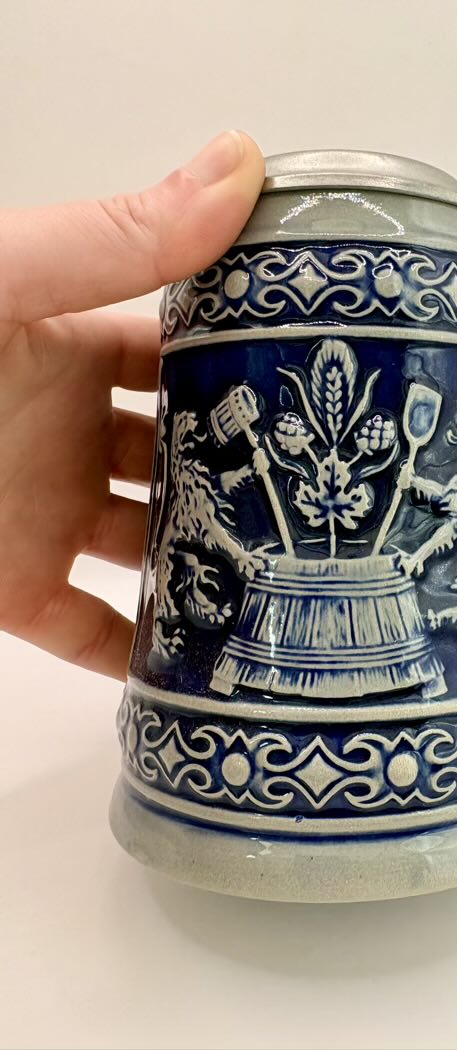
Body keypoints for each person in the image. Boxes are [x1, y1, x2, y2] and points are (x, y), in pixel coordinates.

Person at [0, 131, 266, 681]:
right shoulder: (190, 476)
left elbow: (216, 498)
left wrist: (241, 470)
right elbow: (209, 519)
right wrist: (238, 553)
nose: (194, 437)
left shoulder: (193, 471)